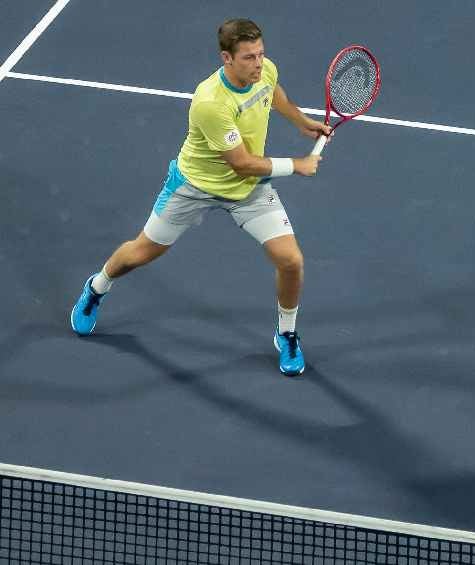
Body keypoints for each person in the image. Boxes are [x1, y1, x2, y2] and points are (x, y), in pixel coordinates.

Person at [70, 19, 331, 377]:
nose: (258, 63)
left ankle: (286, 333)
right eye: (248, 58)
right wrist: (296, 165)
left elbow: (274, 93)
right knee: (140, 253)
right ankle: (97, 287)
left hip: (247, 190)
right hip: (195, 186)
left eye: (260, 54)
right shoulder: (210, 102)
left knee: (291, 262)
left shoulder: (264, 71)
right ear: (226, 58)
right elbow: (240, 163)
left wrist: (301, 121)